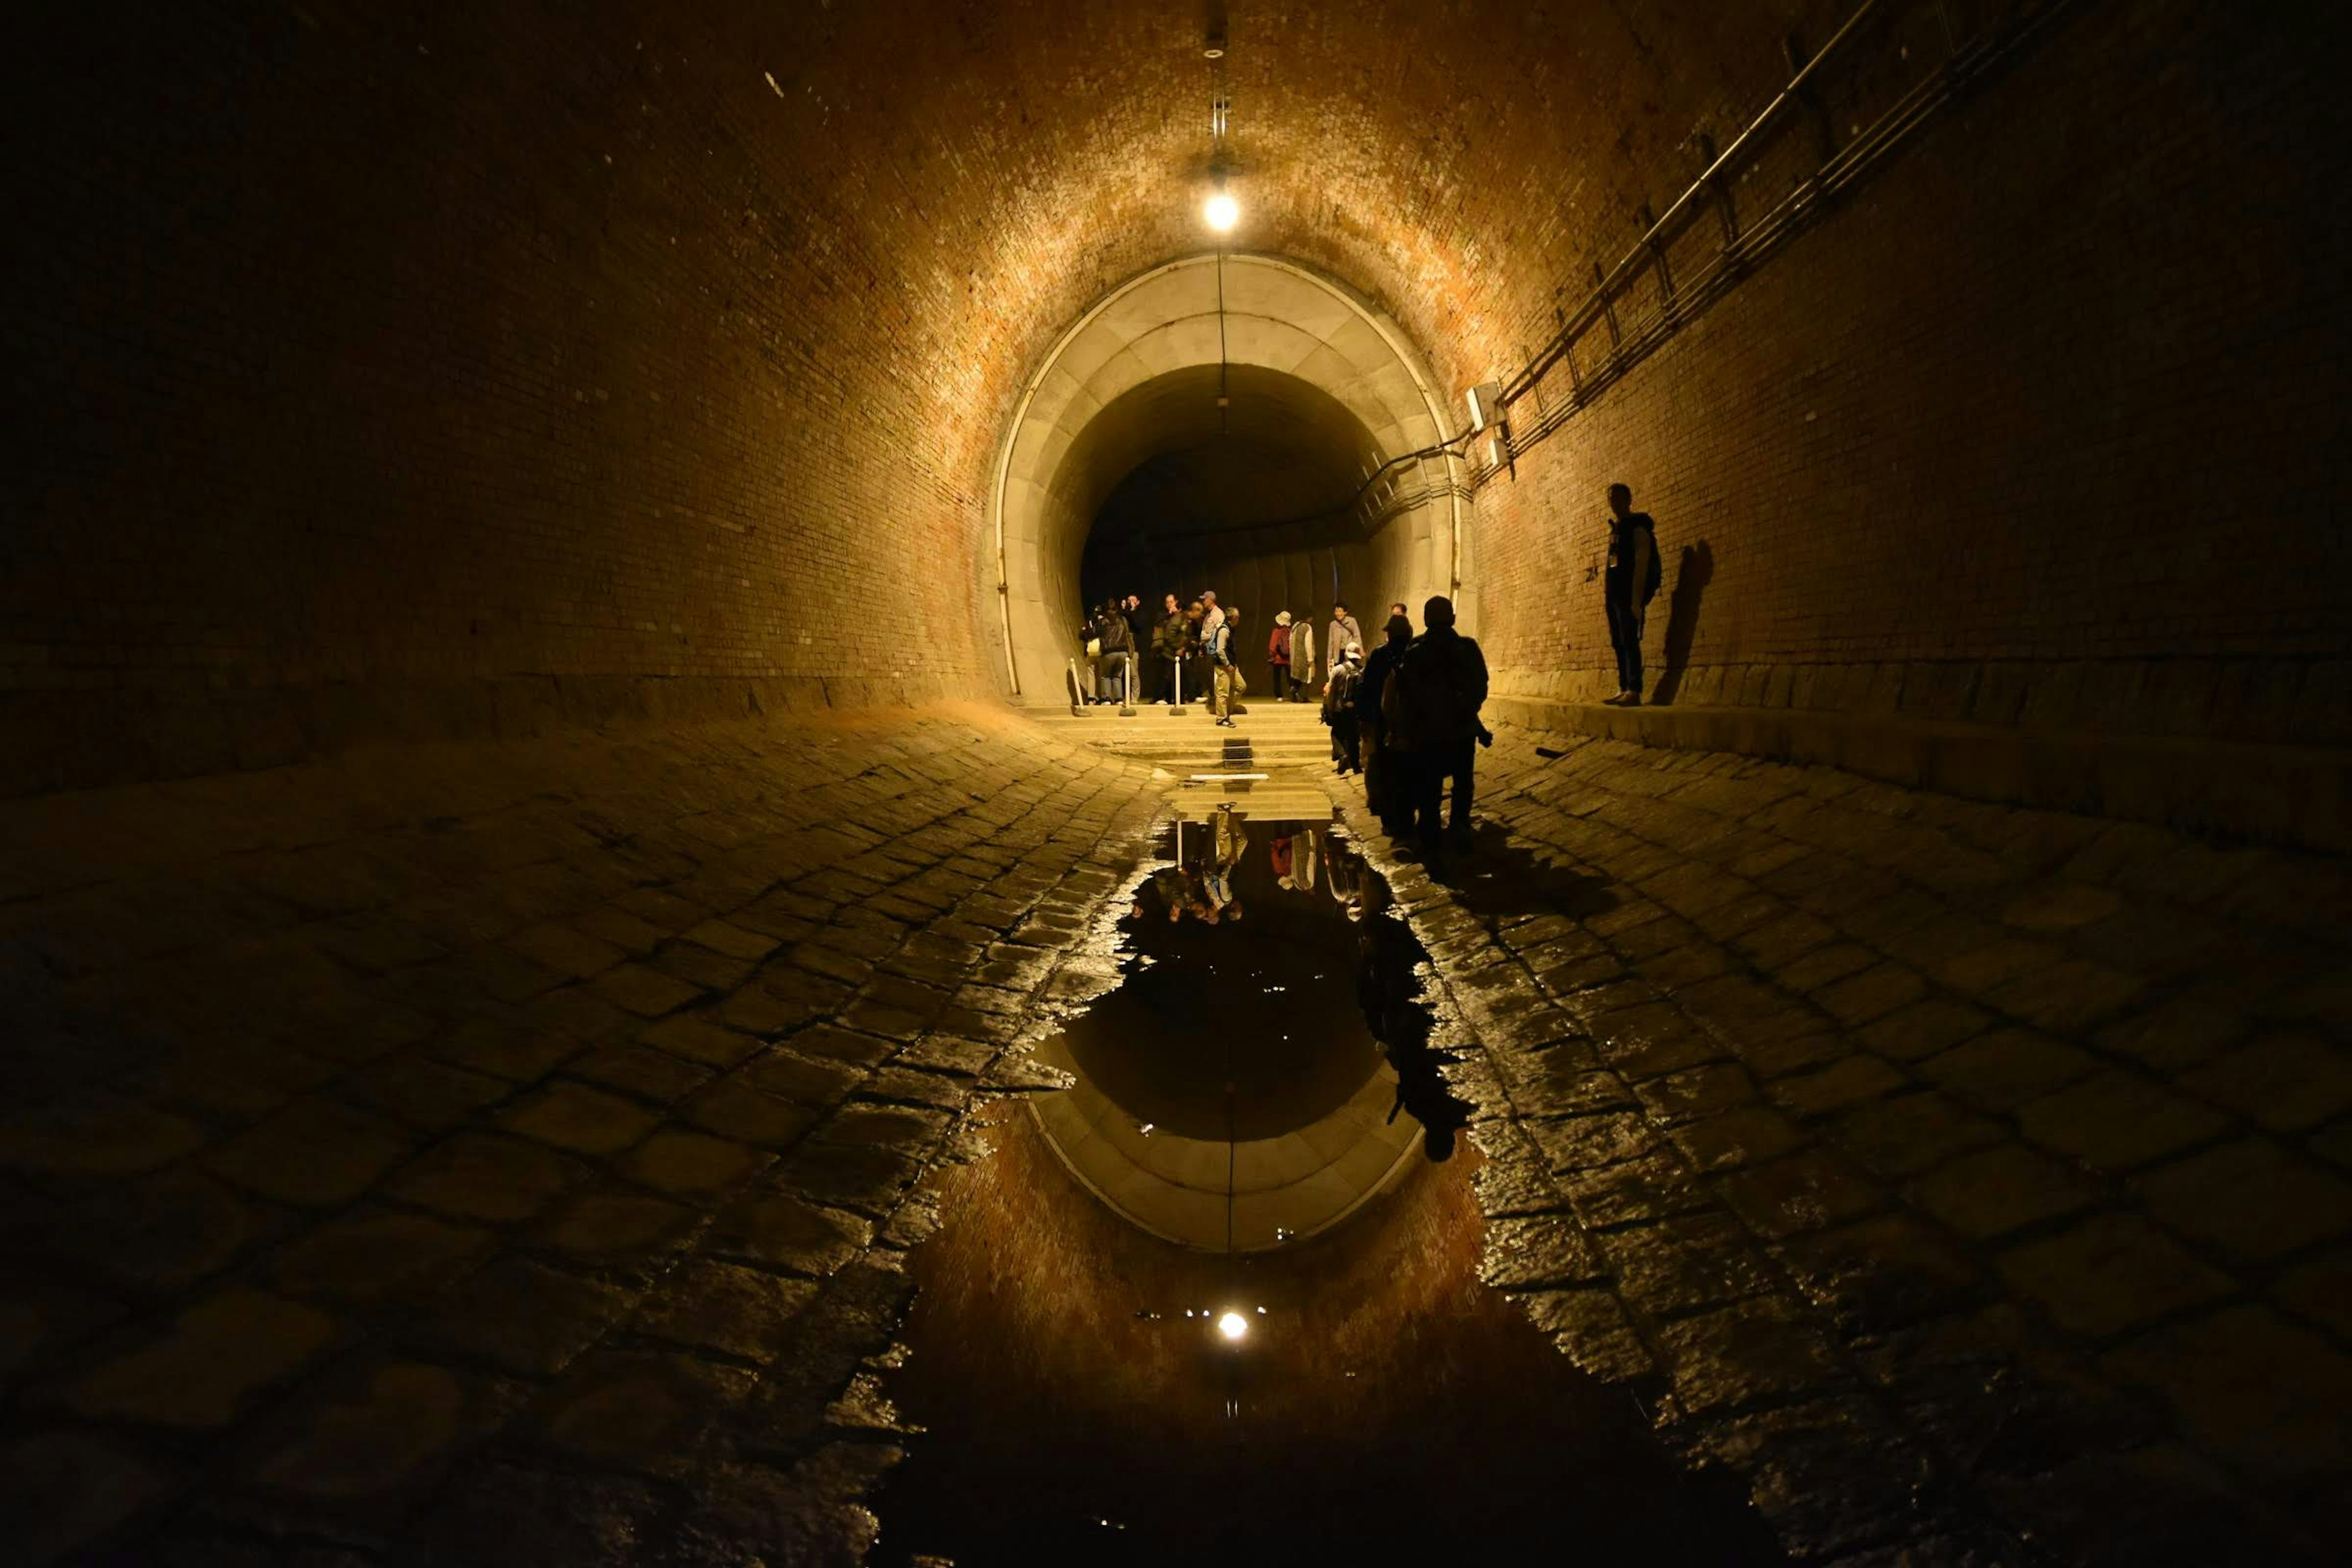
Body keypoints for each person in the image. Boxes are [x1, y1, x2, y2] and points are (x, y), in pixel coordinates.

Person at [1384, 595, 1490, 855]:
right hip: (1462, 729)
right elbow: (1480, 685)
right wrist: (1468, 711)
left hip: (1426, 733)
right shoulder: (1467, 648)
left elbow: (1404, 695)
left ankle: (1430, 829)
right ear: (1452, 618)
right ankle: (1459, 825)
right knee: (1463, 781)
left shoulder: (1415, 652)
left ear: (1426, 620)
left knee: (1428, 782)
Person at [1355, 614, 1415, 837]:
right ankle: (1407, 819)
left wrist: (1364, 721)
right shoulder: (1415, 654)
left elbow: (1366, 689)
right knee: (1407, 773)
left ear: (1389, 634)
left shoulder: (1379, 655)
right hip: (1409, 725)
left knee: (1384, 771)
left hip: (1382, 725)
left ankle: (1389, 819)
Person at [1602, 482, 1661, 706]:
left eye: (1618, 497)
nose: (1614, 502)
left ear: (1628, 499)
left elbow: (1642, 564)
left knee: (1629, 640)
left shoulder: (1637, 527)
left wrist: (1637, 601)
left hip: (1628, 594)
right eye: (1611, 498)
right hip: (1614, 595)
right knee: (1618, 641)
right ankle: (1624, 686)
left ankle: (1635, 689)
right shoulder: (1616, 528)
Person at [1322, 641, 1363, 774]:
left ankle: (1342, 755)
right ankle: (1356, 766)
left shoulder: (1338, 670)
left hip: (1340, 709)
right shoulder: (1362, 671)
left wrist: (1329, 709)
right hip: (1355, 710)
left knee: (1336, 733)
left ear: (1346, 655)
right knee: (1353, 737)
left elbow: (1331, 691)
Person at [1091, 598, 1134, 703]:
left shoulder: (1104, 620)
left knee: (1105, 675)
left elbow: (1094, 633)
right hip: (1123, 651)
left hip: (1109, 651)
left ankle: (1106, 698)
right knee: (1117, 676)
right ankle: (1119, 699)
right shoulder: (1123, 620)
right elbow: (1128, 635)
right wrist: (1130, 651)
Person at [1204, 598, 1239, 727]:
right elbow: (1220, 650)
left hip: (1230, 666)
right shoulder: (1224, 630)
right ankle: (1222, 718)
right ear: (1233, 618)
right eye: (1238, 617)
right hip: (1223, 666)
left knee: (1240, 686)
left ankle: (1227, 711)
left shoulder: (1230, 629)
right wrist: (1228, 664)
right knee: (1222, 692)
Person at [1152, 594, 1187, 703]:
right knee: (1166, 676)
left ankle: (1178, 698)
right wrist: (1168, 615)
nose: (1169, 605)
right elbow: (1166, 633)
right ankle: (1163, 698)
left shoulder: (1180, 615)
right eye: (1167, 602)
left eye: (1171, 602)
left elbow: (1184, 632)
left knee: (1178, 676)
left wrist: (1183, 647)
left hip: (1177, 650)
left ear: (1176, 602)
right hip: (1167, 650)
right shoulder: (1163, 615)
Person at [1325, 603, 1362, 689]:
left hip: (1350, 652)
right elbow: (1331, 641)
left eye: (1340, 611)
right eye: (1336, 611)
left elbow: (1357, 635)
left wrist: (1359, 651)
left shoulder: (1352, 621)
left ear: (1345, 612)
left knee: (1350, 671)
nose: (1338, 613)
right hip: (1338, 652)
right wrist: (1329, 657)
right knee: (1338, 672)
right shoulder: (1333, 624)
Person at [1286, 609, 1315, 701]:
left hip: (1294, 657)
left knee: (1297, 676)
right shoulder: (1307, 627)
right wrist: (1310, 658)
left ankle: (1295, 693)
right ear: (1309, 618)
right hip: (1304, 656)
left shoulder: (1295, 626)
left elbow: (1290, 641)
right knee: (1306, 678)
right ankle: (1303, 696)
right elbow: (1308, 644)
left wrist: (1292, 656)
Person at [1268, 612, 1294, 701]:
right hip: (1288, 659)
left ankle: (1279, 696)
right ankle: (1293, 693)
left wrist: (1272, 655)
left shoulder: (1277, 630)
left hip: (1278, 658)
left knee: (1277, 678)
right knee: (1290, 677)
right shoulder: (1291, 631)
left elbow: (1273, 645)